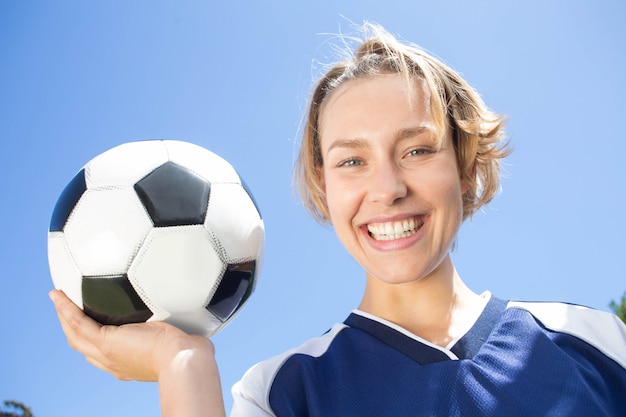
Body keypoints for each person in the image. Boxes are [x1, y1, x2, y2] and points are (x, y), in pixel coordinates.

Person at [50, 23, 626, 416]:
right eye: (352, 160)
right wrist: (182, 365)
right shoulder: (282, 394)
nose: (388, 188)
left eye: (417, 150)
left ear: (466, 164)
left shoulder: (594, 342)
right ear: (325, 189)